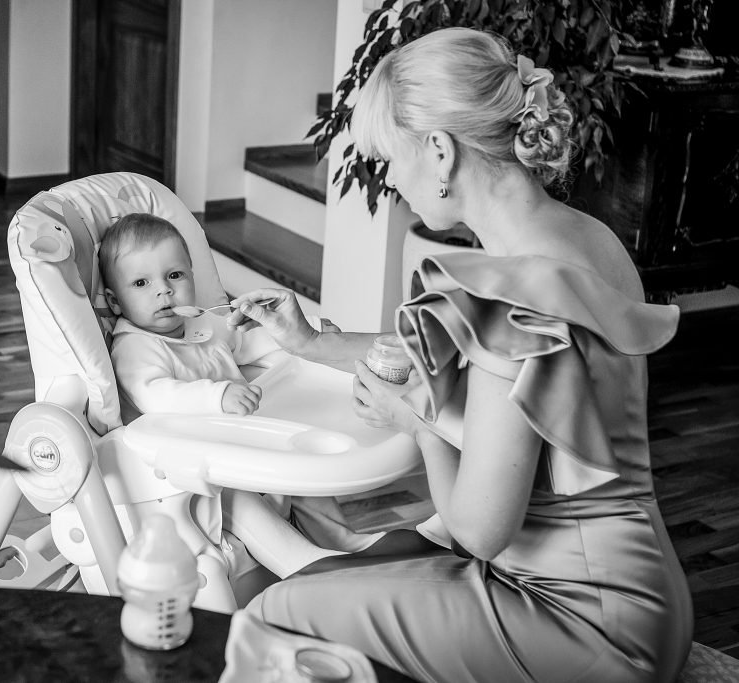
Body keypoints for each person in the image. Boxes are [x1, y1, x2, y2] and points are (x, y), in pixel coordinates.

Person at [226, 27, 693, 683]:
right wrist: (313, 343)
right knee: (368, 562)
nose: (391, 179)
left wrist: (417, 421)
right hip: (650, 604)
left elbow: (479, 529)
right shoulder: (587, 240)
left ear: (440, 152)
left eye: (392, 158)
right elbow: (495, 376)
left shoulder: (512, 290)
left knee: (271, 616)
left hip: (585, 630)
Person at [99, 213, 383, 580]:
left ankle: (344, 540)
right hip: (189, 474)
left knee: (302, 474)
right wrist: (218, 396)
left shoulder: (204, 324)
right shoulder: (134, 347)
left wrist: (314, 336)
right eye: (141, 282)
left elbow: (251, 342)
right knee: (239, 501)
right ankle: (303, 563)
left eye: (175, 275)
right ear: (115, 301)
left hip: (241, 447)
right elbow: (156, 396)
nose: (164, 290)